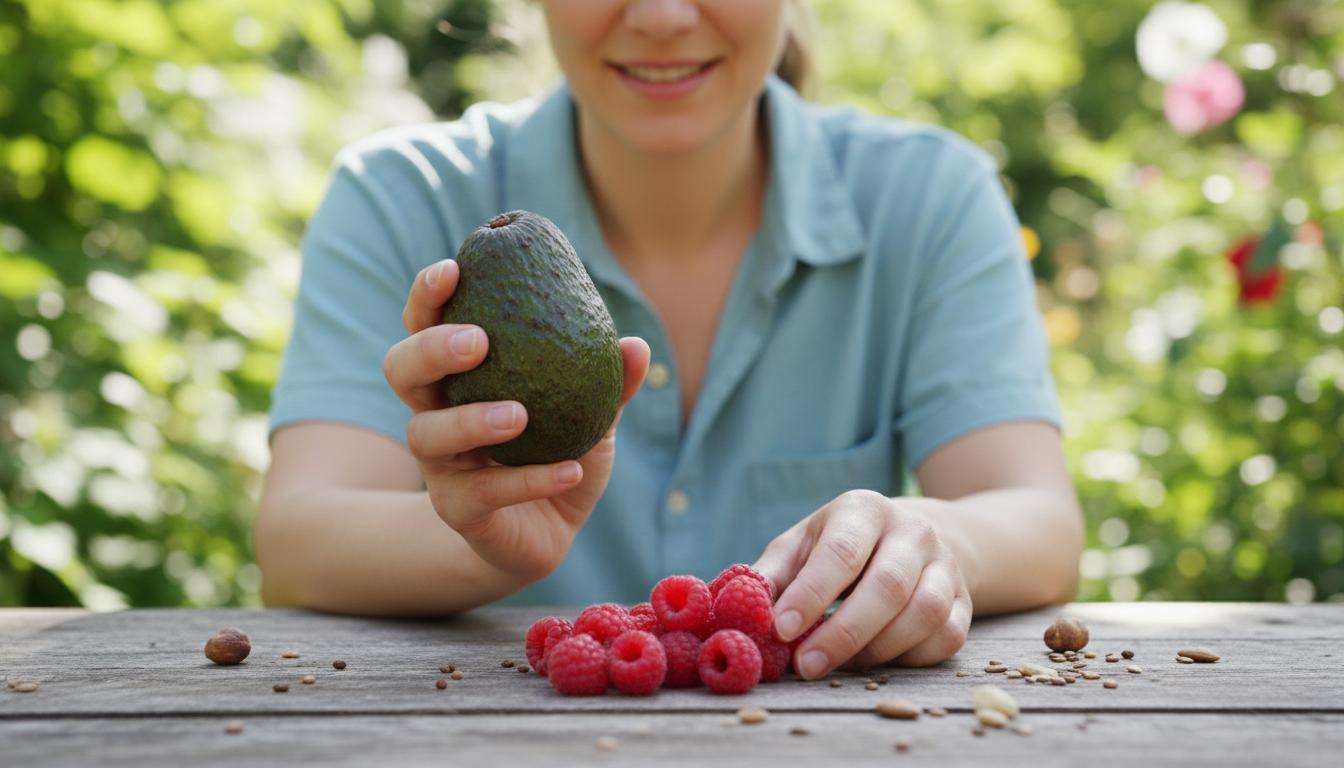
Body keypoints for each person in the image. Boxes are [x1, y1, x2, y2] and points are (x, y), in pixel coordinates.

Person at [256, 0, 1083, 680]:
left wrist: (934, 542)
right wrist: (480, 544)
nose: (659, 16)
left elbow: (1038, 520)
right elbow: (297, 543)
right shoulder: (403, 197)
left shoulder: (930, 198)